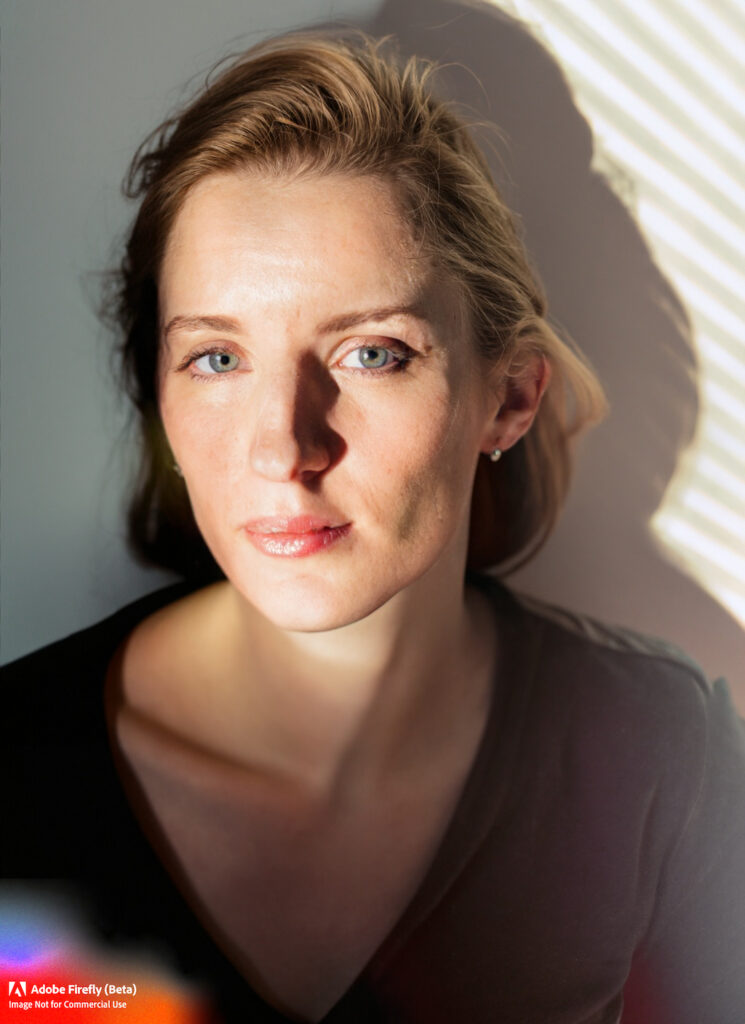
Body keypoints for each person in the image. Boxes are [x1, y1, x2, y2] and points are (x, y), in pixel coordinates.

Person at [3, 30, 744, 1024]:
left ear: (509, 398)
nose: (284, 445)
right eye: (217, 360)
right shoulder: (16, 767)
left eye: (371, 353)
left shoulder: (656, 758)